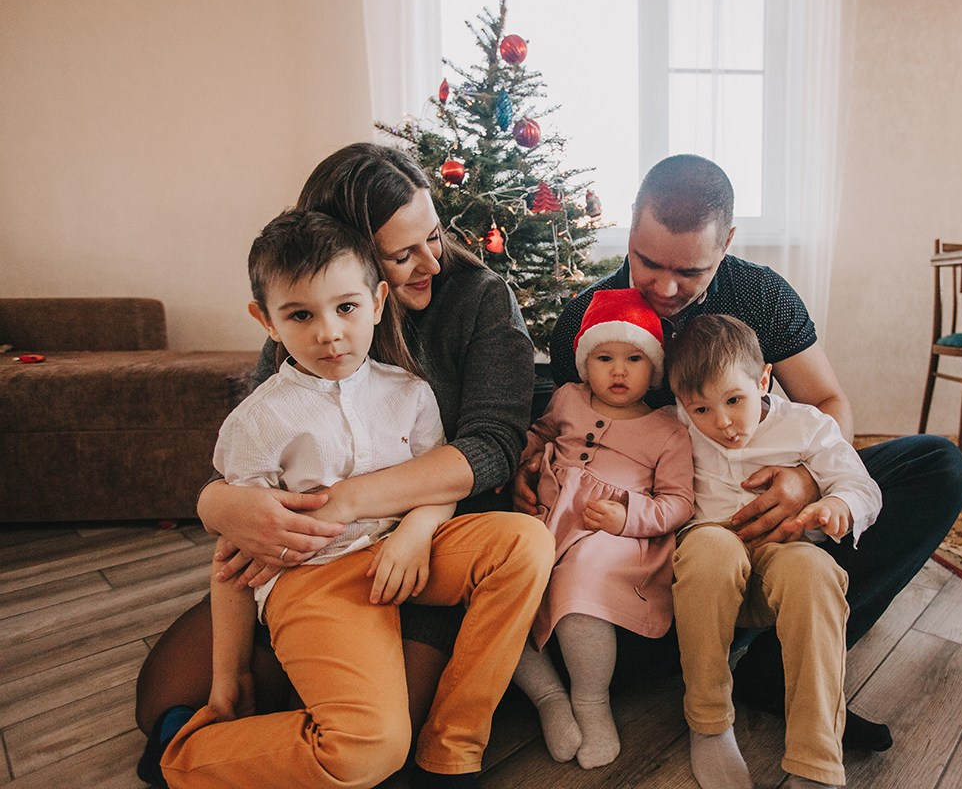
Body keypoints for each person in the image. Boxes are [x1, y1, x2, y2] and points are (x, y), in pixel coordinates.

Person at [517, 153, 962, 749]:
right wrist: (538, 458)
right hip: (657, 537)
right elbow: (570, 424)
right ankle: (704, 651)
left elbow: (828, 400)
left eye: (691, 271)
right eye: (648, 261)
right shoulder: (587, 316)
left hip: (772, 507)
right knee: (605, 658)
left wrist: (807, 481)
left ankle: (776, 667)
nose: (665, 287)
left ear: (727, 242)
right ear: (629, 228)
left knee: (937, 466)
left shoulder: (761, 295)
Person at [136, 143, 554, 789]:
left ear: (372, 297)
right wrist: (218, 505)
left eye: (434, 237)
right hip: (319, 563)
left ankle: (444, 749)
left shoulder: (474, 302)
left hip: (428, 538)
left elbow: (493, 446)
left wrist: (359, 503)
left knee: (382, 747)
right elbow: (252, 449)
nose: (432, 263)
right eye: (404, 253)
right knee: (163, 699)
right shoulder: (310, 312)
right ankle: (215, 749)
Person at [154, 208, 466, 786]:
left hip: (407, 560)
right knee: (371, 746)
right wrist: (229, 675)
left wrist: (419, 529)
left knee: (521, 545)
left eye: (345, 308)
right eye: (301, 315)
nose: (328, 333)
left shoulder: (410, 392)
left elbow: (441, 478)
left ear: (376, 302)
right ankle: (193, 757)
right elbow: (234, 556)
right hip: (314, 580)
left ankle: (452, 749)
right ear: (266, 321)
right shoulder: (260, 420)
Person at [669, 313, 881, 789]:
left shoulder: (806, 425)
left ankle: (816, 760)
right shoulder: (672, 427)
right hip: (707, 563)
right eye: (700, 410)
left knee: (814, 569)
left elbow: (858, 482)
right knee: (710, 548)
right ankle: (708, 722)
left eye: (734, 400)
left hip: (779, 562)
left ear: (763, 379)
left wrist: (838, 504)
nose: (722, 423)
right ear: (682, 405)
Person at [510, 288, 694, 769]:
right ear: (584, 363)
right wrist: (528, 455)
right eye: (604, 357)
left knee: (581, 575)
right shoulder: (568, 398)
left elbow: (678, 502)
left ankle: (591, 702)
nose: (618, 370)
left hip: (612, 538)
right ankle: (550, 698)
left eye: (634, 358)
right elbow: (544, 432)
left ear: (653, 368)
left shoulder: (667, 429)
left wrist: (629, 515)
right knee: (497, 588)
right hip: (548, 524)